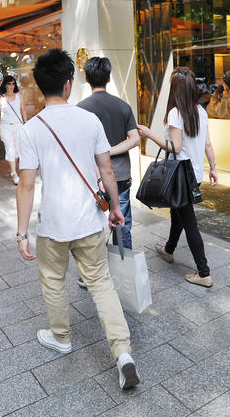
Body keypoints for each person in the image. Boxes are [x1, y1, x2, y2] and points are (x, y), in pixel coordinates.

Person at [16, 49, 138, 390]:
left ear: (42, 88)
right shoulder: (90, 121)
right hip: (89, 221)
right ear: (69, 85)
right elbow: (106, 171)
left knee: (53, 281)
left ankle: (61, 337)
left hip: (54, 225)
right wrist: (115, 208)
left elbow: (26, 185)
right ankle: (123, 353)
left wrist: (21, 232)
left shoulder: (32, 129)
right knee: (101, 283)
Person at [138, 66, 217, 288]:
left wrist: (149, 134)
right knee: (178, 213)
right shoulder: (200, 111)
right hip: (194, 174)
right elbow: (208, 144)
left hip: (180, 173)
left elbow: (175, 147)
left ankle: (204, 272)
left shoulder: (175, 113)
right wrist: (213, 167)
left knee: (188, 220)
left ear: (174, 89)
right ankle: (169, 249)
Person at [77, 57, 139, 251]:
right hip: (120, 175)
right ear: (109, 78)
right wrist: (110, 151)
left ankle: (90, 275)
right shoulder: (123, 106)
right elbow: (135, 139)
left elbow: (81, 148)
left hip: (92, 177)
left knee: (90, 227)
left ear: (86, 78)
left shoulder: (80, 109)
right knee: (122, 223)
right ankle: (125, 267)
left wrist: (103, 153)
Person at [0, 75, 26, 184]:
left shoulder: (20, 96)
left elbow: (23, 111)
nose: (11, 86)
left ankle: (12, 170)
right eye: (9, 83)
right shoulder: (0, 100)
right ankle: (14, 174)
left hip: (18, 126)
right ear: (5, 85)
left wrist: (26, 124)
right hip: (6, 127)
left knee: (17, 151)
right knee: (10, 149)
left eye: (13, 83)